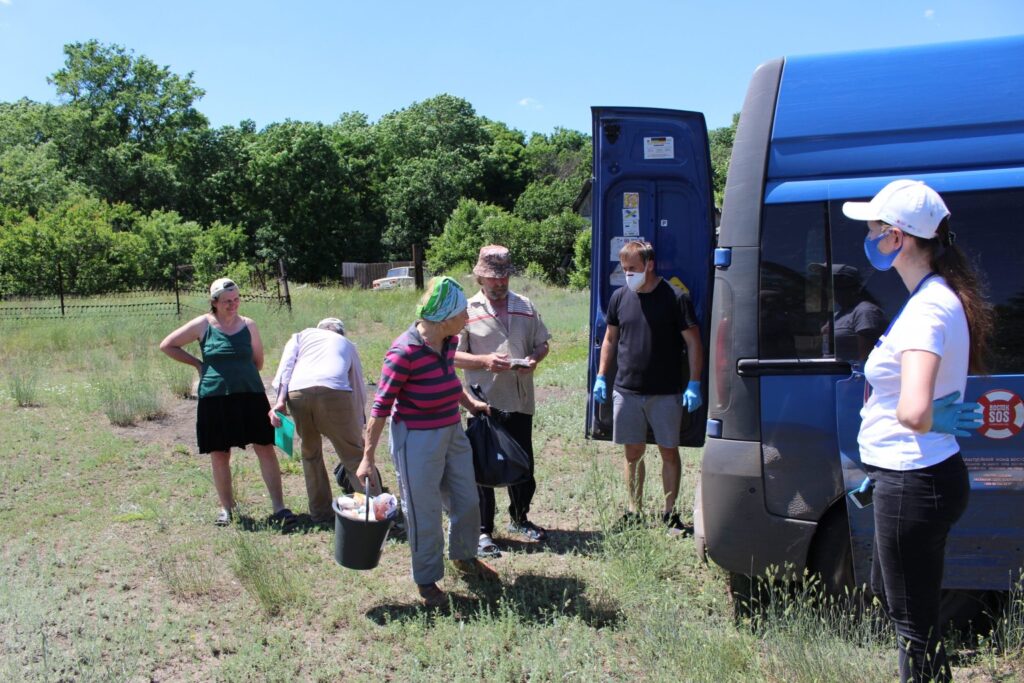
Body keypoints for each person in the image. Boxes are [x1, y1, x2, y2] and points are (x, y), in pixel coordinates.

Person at [843, 179, 992, 682]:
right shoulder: (933, 296)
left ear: (898, 237)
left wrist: (929, 418)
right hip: (913, 473)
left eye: (873, 229)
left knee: (912, 624)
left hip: (913, 477)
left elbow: (912, 408)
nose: (868, 235)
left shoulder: (928, 309)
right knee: (903, 602)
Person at [357, 276, 498, 608]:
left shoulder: (448, 342)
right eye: (463, 312)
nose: (468, 318)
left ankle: (464, 557)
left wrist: (470, 405)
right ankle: (427, 580)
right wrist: (367, 457)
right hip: (416, 439)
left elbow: (448, 380)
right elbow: (380, 408)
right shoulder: (403, 352)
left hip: (452, 430)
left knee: (467, 499)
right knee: (425, 510)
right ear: (444, 317)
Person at [159, 278, 296, 529]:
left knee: (265, 447)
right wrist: (199, 365)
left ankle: (279, 507)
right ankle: (227, 509)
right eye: (227, 301)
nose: (232, 305)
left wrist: (240, 374)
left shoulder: (249, 325)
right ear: (214, 302)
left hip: (250, 394)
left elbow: (258, 362)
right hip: (215, 397)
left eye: (236, 300)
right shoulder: (203, 324)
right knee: (220, 453)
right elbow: (168, 345)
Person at [592, 241, 704, 533]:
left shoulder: (675, 298)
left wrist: (694, 382)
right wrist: (602, 375)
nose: (628, 274)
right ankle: (634, 512)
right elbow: (610, 339)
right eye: (625, 269)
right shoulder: (619, 297)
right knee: (633, 453)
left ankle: (670, 515)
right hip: (627, 390)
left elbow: (693, 342)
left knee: (669, 451)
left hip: (666, 392)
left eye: (633, 269)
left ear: (649, 265)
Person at [455, 245, 551, 557]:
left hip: (521, 401)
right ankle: (484, 532)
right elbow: (451, 355)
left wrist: (534, 358)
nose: (500, 283)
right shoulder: (466, 311)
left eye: (504, 277)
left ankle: (520, 518)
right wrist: (483, 361)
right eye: (493, 279)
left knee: (523, 464)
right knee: (483, 467)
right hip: (483, 404)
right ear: (480, 278)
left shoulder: (525, 305)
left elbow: (543, 343)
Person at [268, 317, 381, 524]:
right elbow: (357, 388)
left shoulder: (300, 337)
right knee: (353, 455)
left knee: (310, 454)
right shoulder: (347, 345)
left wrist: (280, 401)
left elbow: (286, 368)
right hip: (334, 392)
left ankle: (320, 515)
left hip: (298, 393)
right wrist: (358, 425)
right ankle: (378, 513)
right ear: (341, 332)